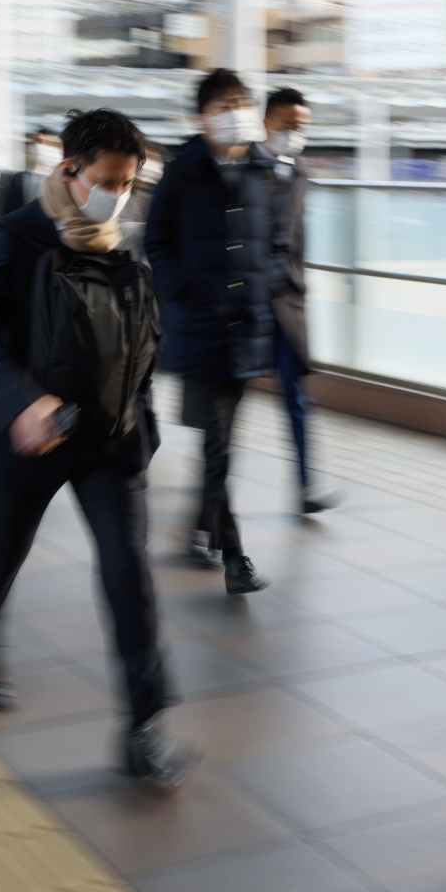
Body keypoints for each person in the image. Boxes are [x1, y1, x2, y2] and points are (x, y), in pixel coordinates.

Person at [0, 108, 194, 786]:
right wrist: (24, 399)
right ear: (69, 168)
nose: (119, 193)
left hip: (110, 440)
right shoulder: (14, 238)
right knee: (2, 550)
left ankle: (144, 726)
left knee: (129, 573)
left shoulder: (120, 242)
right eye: (109, 179)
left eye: (130, 182)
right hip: (34, 436)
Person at [145, 69, 284, 595]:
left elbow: (275, 240)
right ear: (202, 115)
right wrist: (181, 291)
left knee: (223, 444)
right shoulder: (182, 171)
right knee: (219, 445)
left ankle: (203, 526)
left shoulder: (261, 170)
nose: (238, 111)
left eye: (244, 102)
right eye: (227, 103)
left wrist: (265, 288)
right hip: (200, 326)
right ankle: (234, 555)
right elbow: (156, 241)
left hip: (247, 326)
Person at [259, 87, 341, 514]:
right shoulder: (245, 167)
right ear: (266, 123)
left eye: (301, 127)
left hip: (286, 304)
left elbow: (296, 241)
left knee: (296, 396)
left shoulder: (302, 172)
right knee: (225, 408)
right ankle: (207, 515)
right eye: (287, 125)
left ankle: (306, 488)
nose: (294, 133)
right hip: (248, 306)